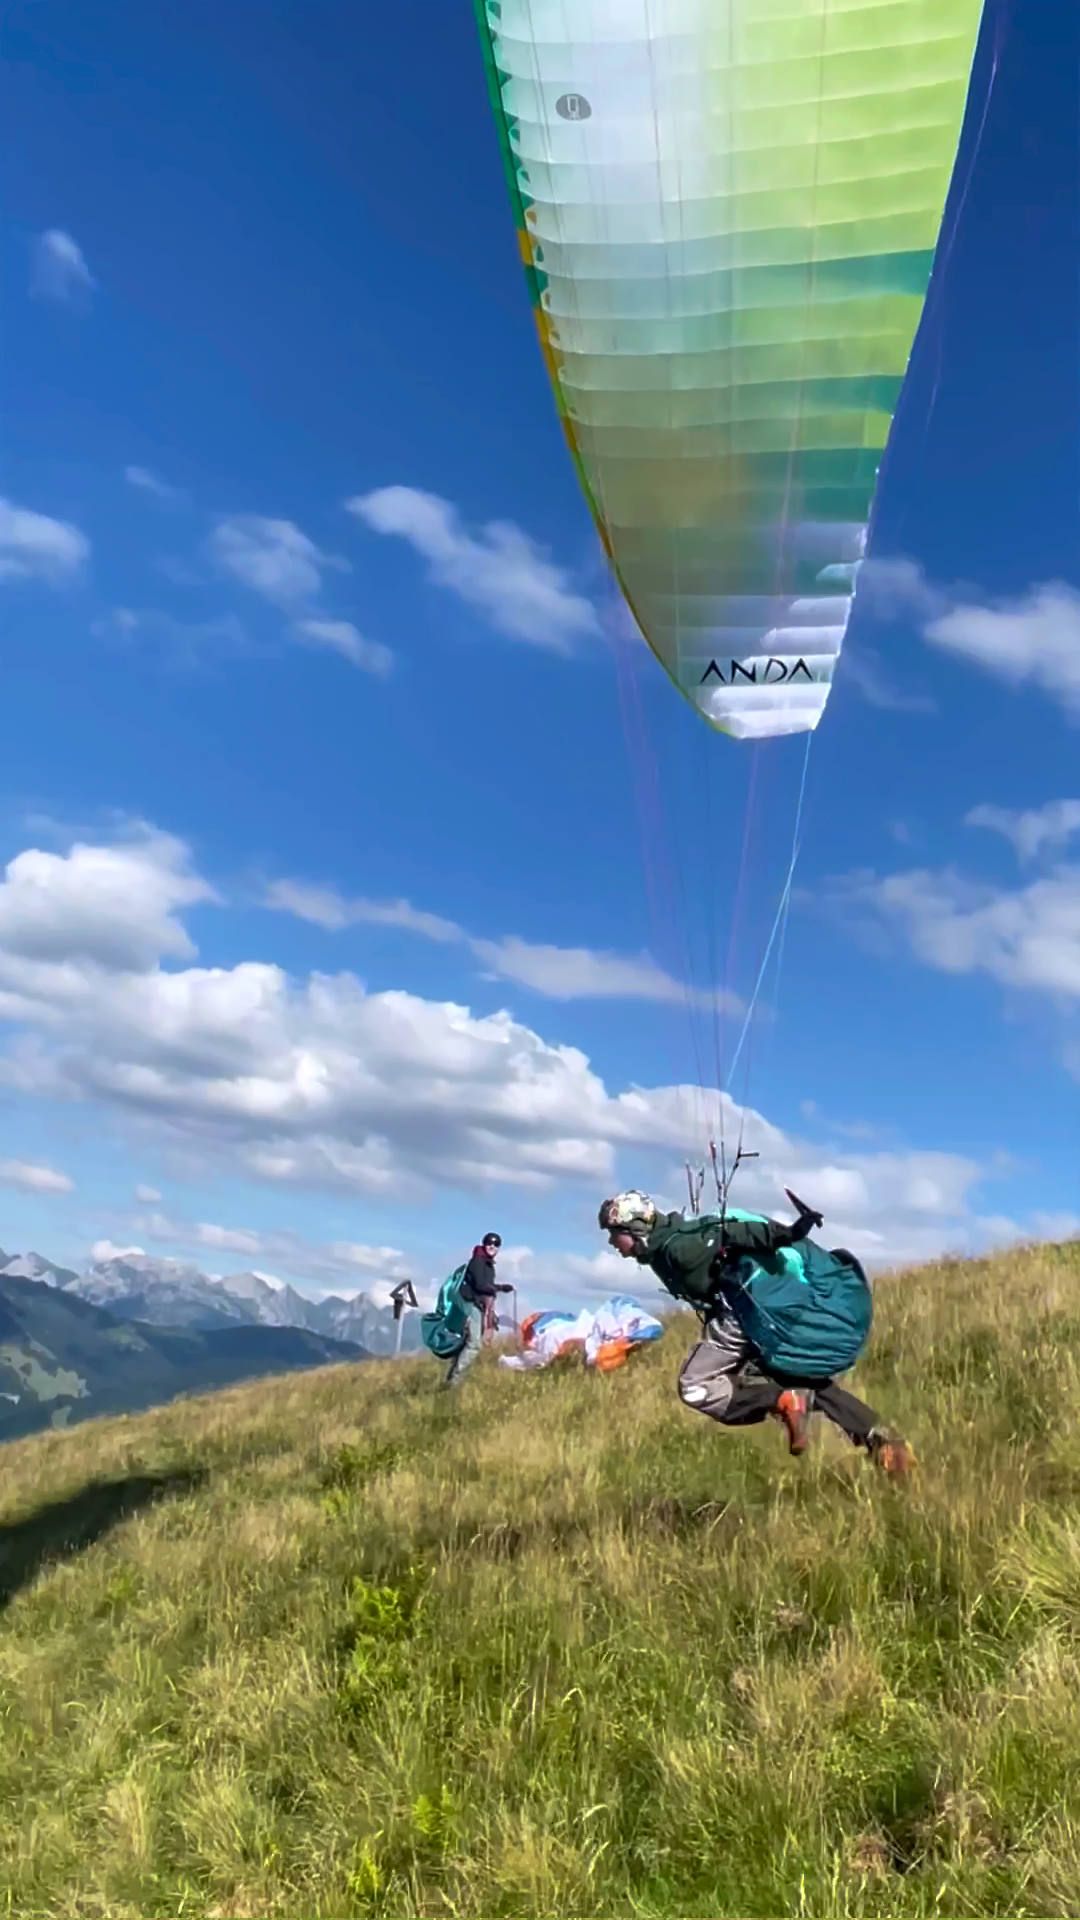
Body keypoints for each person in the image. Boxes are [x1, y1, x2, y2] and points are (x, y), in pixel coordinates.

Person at [597, 1190, 912, 1476]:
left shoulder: (679, 1246)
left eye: (615, 1236)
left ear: (636, 1228)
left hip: (742, 1318)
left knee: (695, 1386)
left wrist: (786, 1234)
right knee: (796, 1378)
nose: (613, 1244)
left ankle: (783, 1400)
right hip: (750, 1316)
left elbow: (730, 1232)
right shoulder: (666, 1244)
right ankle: (880, 1441)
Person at [444, 1232, 513, 1386]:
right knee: (474, 1344)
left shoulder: (487, 1264)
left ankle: (452, 1377)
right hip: (469, 1304)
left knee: (467, 1342)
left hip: (475, 1305)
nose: (492, 1246)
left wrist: (497, 1290)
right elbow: (481, 1285)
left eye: (496, 1244)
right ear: (484, 1244)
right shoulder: (478, 1262)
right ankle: (455, 1381)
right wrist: (500, 1287)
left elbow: (484, 1286)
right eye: (489, 1243)